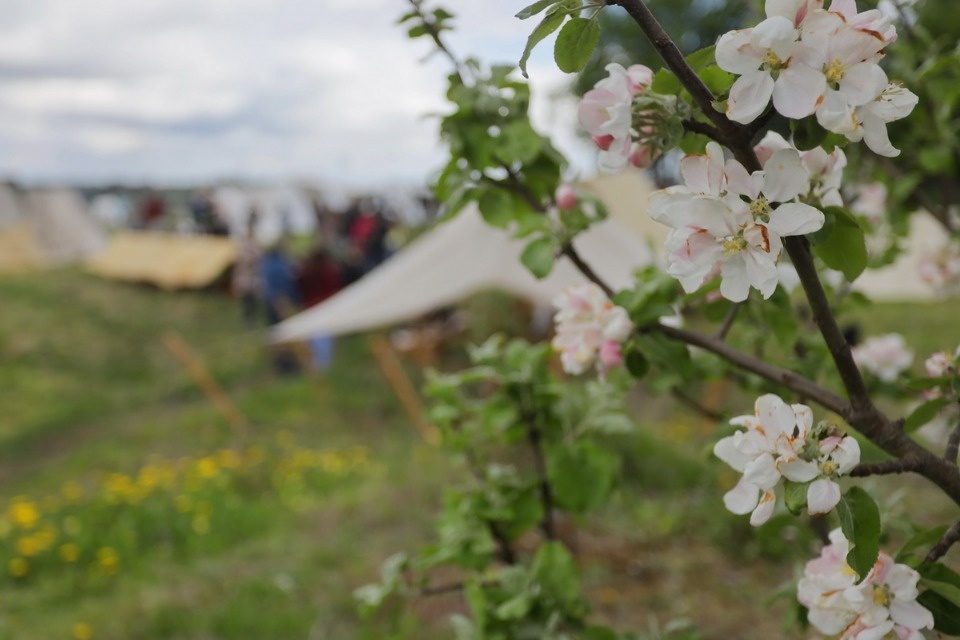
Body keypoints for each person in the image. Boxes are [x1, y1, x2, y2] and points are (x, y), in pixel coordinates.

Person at [232, 213, 262, 326]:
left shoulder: (256, 244)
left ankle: (252, 316)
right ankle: (248, 317)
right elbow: (239, 259)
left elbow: (258, 258)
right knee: (245, 298)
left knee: (252, 298)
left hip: (252, 276)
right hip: (244, 276)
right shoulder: (242, 245)